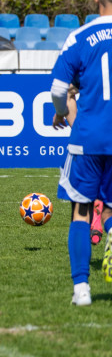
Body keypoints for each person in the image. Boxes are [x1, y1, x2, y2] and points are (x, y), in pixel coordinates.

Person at [51, 0, 112, 305]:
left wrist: (61, 109)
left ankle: (82, 290)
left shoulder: (80, 37)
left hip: (89, 136)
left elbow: (58, 89)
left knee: (82, 209)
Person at [65, 84, 107, 245]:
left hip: (91, 135)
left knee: (81, 207)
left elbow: (67, 91)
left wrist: (77, 130)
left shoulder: (88, 62)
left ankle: (81, 271)